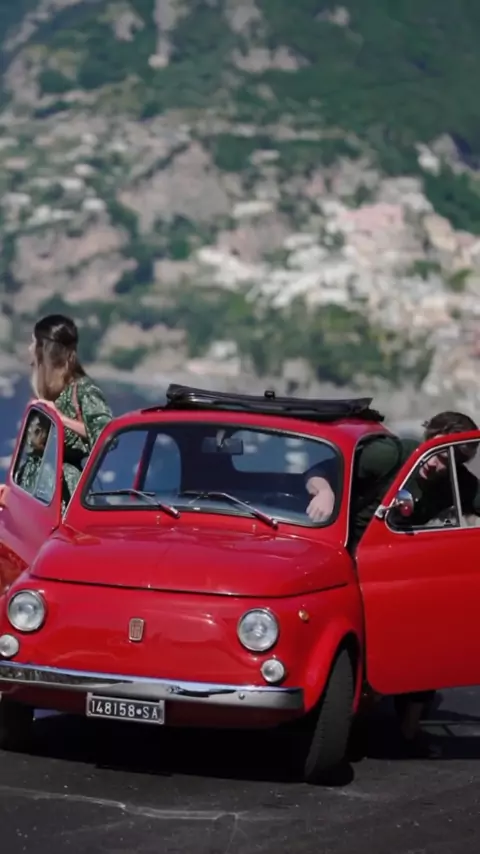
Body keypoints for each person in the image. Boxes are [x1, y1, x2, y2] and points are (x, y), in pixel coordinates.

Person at [305, 410, 480, 757]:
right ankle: (338, 719)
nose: (437, 465)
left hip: (391, 566)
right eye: (436, 452)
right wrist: (323, 492)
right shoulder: (391, 455)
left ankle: (408, 732)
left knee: (427, 636)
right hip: (344, 555)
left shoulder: (455, 481)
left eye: (448, 460)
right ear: (429, 436)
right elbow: (318, 471)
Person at [1, 314, 113, 508]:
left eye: (34, 342)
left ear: (46, 350)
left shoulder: (83, 390)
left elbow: (108, 434)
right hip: (33, 495)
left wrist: (60, 419)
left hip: (62, 500)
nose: (29, 349)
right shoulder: (47, 392)